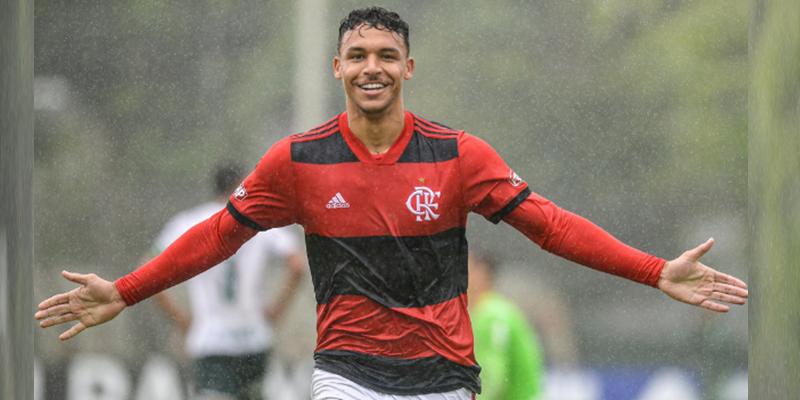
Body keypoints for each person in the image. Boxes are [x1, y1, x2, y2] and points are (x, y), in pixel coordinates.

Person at [35, 7, 748, 400]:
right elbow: (219, 236)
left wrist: (655, 270)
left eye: (385, 54)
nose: (371, 66)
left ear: (408, 67)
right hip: (346, 373)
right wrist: (125, 292)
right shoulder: (297, 161)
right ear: (337, 67)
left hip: (442, 378)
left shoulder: (459, 156)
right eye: (358, 54)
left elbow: (551, 227)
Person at [149, 163, 305, 400]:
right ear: (240, 185)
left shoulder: (190, 221)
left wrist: (180, 319)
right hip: (254, 338)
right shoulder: (260, 219)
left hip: (211, 340)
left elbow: (147, 269)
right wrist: (275, 310)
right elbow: (296, 265)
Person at [468, 250, 544, 400]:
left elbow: (492, 378)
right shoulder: (484, 312)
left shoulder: (492, 315)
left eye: (465, 268)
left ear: (482, 274)